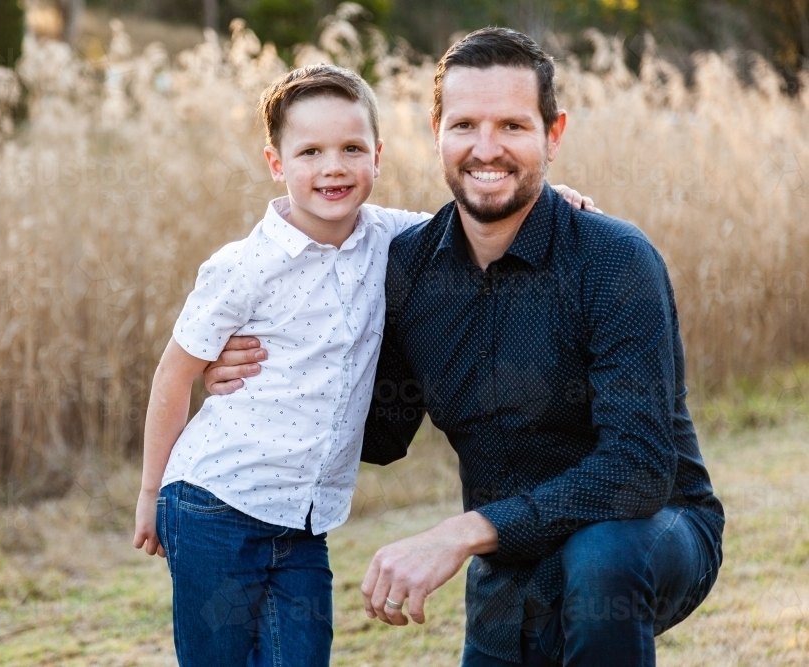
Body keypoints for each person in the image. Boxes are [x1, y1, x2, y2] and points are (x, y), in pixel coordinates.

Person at [202, 28, 724, 667]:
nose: (487, 149)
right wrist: (262, 363)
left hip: (651, 534)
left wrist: (462, 533)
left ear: (553, 135)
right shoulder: (411, 269)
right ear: (436, 131)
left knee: (600, 559)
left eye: (512, 126)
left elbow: (639, 468)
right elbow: (381, 435)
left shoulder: (613, 259)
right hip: (511, 574)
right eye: (466, 125)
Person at [134, 62, 596, 666]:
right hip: (213, 504)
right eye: (310, 152)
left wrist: (547, 202)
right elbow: (173, 374)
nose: (333, 167)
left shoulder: (392, 240)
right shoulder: (242, 266)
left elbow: (476, 224)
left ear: (377, 157)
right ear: (277, 164)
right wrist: (150, 494)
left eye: (352, 148)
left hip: (304, 522)